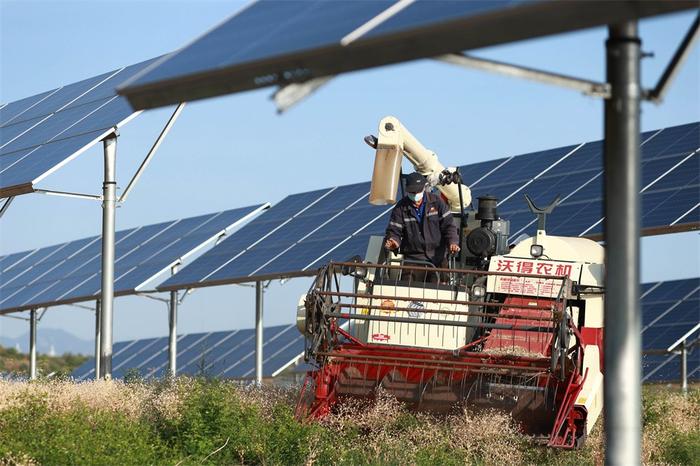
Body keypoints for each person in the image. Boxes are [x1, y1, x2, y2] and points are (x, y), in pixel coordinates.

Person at [384, 172, 460, 279]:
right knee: (407, 290)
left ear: (424, 188)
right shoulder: (400, 208)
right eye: (412, 192)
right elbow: (394, 231)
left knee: (440, 291)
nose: (415, 195)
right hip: (413, 259)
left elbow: (449, 226)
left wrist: (453, 242)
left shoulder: (437, 202)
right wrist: (394, 242)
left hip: (438, 258)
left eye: (417, 191)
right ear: (407, 191)